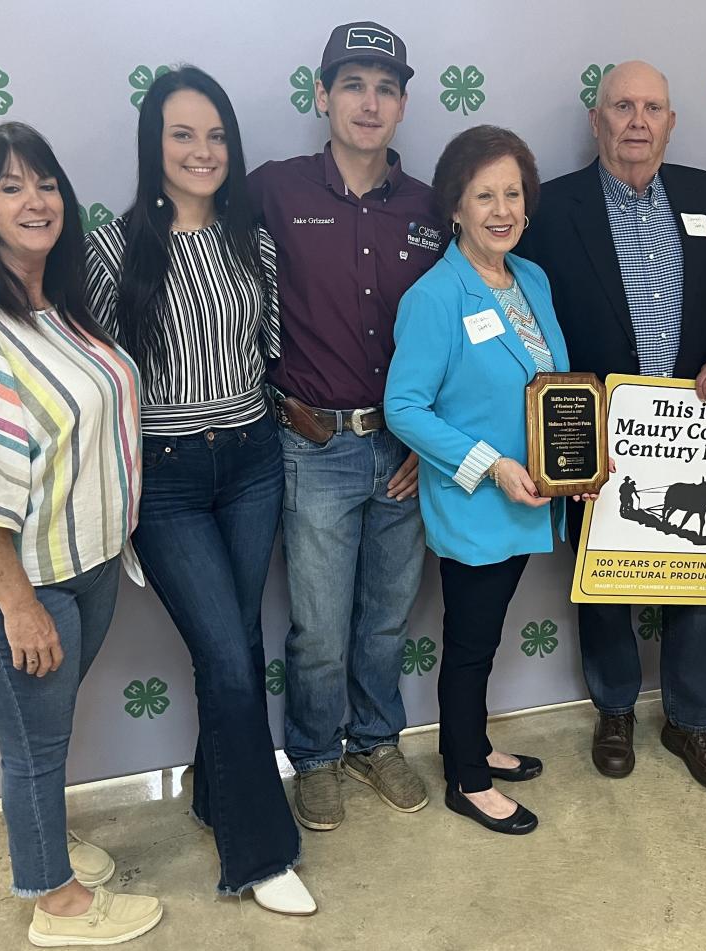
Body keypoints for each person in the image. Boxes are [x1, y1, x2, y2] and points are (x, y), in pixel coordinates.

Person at [0, 122, 161, 946]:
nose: (35, 200)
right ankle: (55, 902)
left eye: (44, 182)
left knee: (42, 733)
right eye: (10, 186)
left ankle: (43, 843)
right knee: (33, 744)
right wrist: (18, 604)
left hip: (81, 562)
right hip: (8, 582)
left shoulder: (54, 307)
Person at [84, 67, 313, 914]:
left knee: (238, 647)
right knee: (226, 655)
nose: (202, 151)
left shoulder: (249, 236)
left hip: (252, 460)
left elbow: (274, 344)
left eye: (215, 135)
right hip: (169, 479)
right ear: (155, 144)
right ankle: (260, 852)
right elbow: (99, 375)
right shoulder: (113, 247)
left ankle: (218, 795)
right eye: (183, 134)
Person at [517, 61, 706, 792]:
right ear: (597, 120)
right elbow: (523, 317)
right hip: (601, 436)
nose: (636, 120)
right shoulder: (552, 207)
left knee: (698, 574)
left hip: (699, 431)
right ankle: (616, 708)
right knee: (606, 582)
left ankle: (693, 720)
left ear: (671, 121)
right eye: (621, 105)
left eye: (651, 107)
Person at [248, 21, 444, 830]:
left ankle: (374, 740)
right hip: (314, 445)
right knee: (319, 626)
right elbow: (208, 277)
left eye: (386, 87)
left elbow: (458, 331)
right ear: (322, 94)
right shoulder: (273, 189)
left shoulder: (435, 209)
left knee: (386, 617)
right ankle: (317, 755)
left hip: (405, 449)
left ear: (402, 104)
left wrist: (430, 444)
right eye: (353, 84)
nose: (370, 102)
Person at [387, 125, 583, 834]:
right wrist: (489, 466)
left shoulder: (531, 278)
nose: (501, 208)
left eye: (512, 193)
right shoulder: (435, 296)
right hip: (477, 502)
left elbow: (553, 387)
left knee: (487, 636)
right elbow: (403, 406)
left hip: (532, 500)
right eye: (484, 195)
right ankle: (466, 778)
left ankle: (470, 744)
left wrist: (579, 459)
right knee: (470, 644)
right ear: (456, 207)